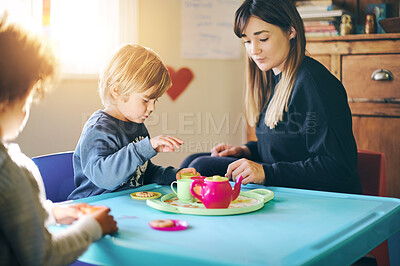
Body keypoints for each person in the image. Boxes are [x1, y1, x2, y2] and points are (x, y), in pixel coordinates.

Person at [181, 0, 361, 194]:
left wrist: (266, 172)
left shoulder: (314, 83)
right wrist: (247, 150)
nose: (253, 50)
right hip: (288, 182)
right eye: (247, 41)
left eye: (263, 39)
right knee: (193, 162)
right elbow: (290, 144)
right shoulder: (274, 78)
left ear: (291, 31)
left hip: (321, 198)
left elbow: (338, 167)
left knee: (202, 166)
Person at [0, 14, 118, 265]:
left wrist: (49, 213)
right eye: (28, 98)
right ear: (6, 104)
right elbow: (42, 257)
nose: (26, 109)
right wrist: (91, 227)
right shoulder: (12, 170)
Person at [68, 44, 199, 200]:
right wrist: (144, 148)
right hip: (94, 206)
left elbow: (141, 173)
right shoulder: (98, 129)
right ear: (117, 91)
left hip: (126, 203)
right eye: (146, 100)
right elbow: (105, 178)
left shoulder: (137, 126)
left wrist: (173, 175)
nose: (152, 107)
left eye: (155, 100)